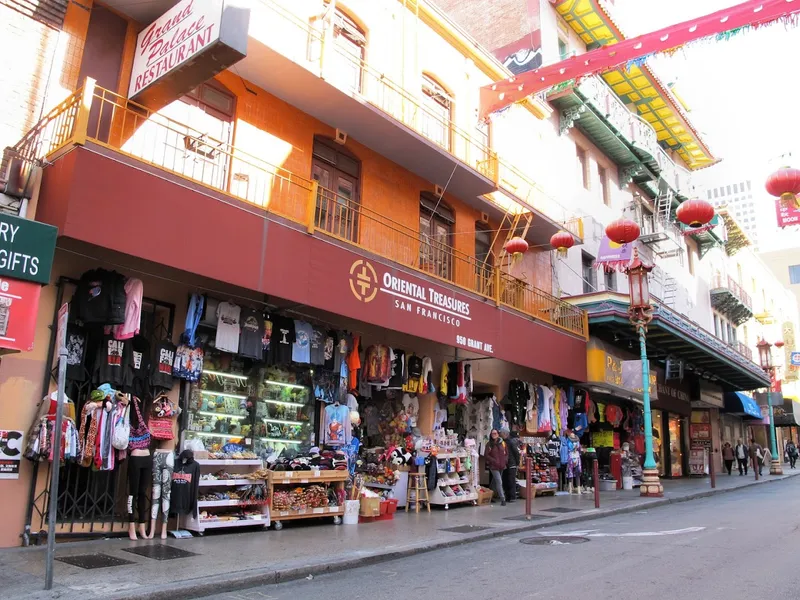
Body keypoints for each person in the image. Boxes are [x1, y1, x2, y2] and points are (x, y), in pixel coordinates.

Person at [485, 429, 508, 506]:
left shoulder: (503, 443)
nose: (493, 435)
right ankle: (502, 499)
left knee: (495, 481)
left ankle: (489, 495)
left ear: (498, 434)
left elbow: (506, 453)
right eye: (492, 434)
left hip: (501, 465)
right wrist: (493, 461)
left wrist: (505, 460)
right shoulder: (489, 444)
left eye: (495, 433)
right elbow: (486, 455)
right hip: (493, 466)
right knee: (499, 481)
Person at [501, 430, 520, 502]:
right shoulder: (502, 442)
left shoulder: (511, 442)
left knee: (511, 480)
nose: (500, 434)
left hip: (511, 464)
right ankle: (508, 496)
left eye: (501, 433)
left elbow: (516, 453)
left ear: (505, 434)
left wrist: (517, 463)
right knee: (505, 480)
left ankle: (512, 496)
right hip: (505, 464)